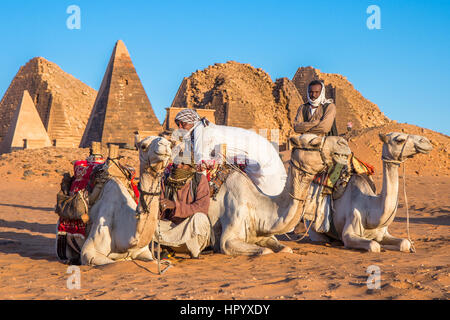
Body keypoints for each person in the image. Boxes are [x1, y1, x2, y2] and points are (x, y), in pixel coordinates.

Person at [173, 109, 287, 197]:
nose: (180, 127)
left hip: (256, 152)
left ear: (190, 121)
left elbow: (200, 157)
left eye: (182, 124)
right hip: (251, 151)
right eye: (178, 124)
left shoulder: (201, 129)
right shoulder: (199, 131)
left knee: (264, 191)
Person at [156, 160, 212, 258]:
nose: (178, 166)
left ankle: (194, 251)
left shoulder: (199, 180)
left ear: (190, 166)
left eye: (182, 163)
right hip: (172, 228)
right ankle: (168, 248)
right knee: (151, 222)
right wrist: (159, 208)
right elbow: (159, 210)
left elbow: (202, 207)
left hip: (190, 230)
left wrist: (175, 206)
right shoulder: (165, 179)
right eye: (176, 163)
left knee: (200, 218)